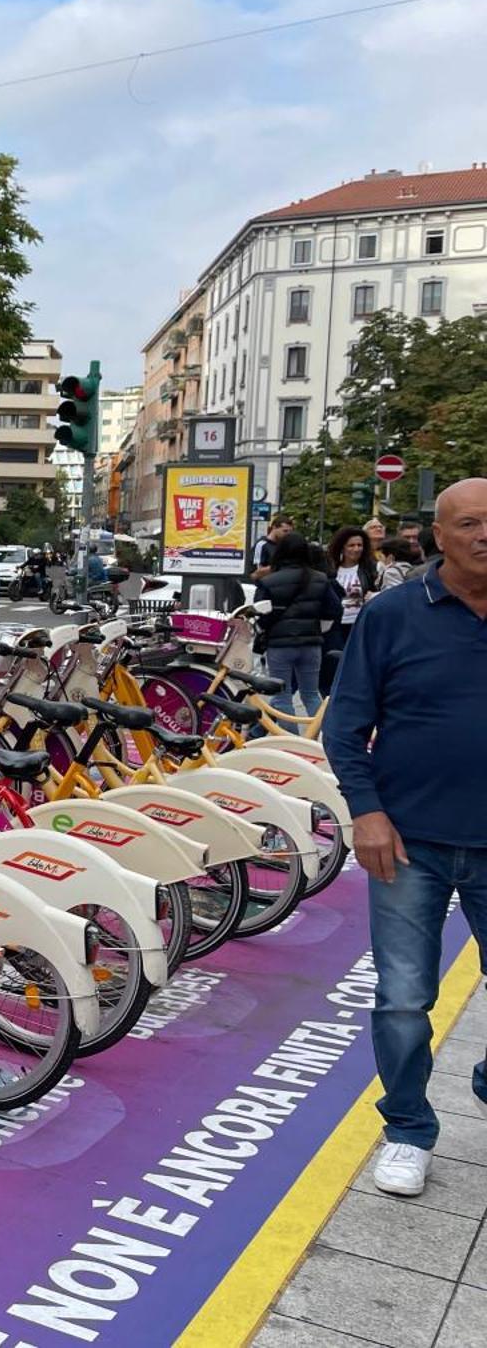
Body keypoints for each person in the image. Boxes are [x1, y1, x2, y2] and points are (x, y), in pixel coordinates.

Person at [324, 478, 487, 1199]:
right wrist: (367, 811)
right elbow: (344, 725)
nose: (486, 535)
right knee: (403, 998)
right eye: (471, 523)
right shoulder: (392, 615)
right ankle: (409, 1129)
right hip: (408, 840)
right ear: (438, 537)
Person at [253, 531, 336, 716]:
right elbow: (334, 609)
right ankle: (316, 739)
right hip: (311, 644)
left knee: (282, 697)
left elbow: (261, 614)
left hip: (279, 645)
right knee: (311, 695)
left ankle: (290, 740)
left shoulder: (268, 581)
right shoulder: (320, 579)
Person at [323, 526, 379, 694]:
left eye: (359, 545)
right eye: (351, 545)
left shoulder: (369, 569)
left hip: (359, 623)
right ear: (342, 547)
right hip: (336, 624)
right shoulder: (330, 569)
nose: (356, 549)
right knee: (334, 663)